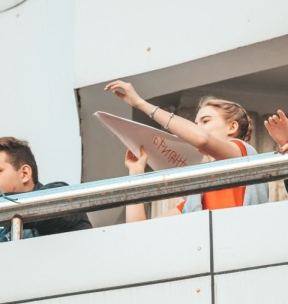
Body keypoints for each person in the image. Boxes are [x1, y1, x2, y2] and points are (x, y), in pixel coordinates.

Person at [104, 80, 269, 222]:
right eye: (195, 125)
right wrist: (135, 173)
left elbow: (202, 139)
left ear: (232, 127)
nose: (198, 129)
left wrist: (141, 104)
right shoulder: (197, 197)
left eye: (205, 121)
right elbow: (140, 228)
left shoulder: (244, 153)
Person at [0, 136, 92, 241]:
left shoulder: (59, 192)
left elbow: (50, 216)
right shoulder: (6, 230)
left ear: (25, 173)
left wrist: (2, 201)